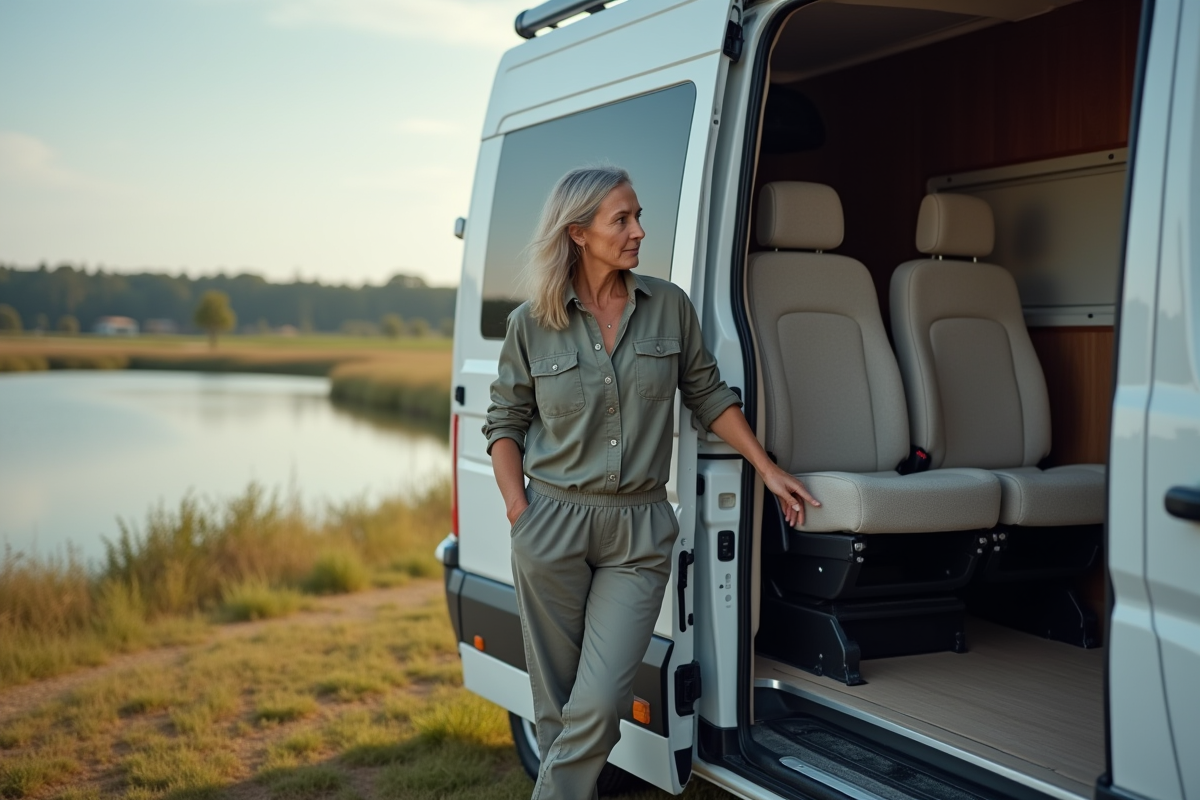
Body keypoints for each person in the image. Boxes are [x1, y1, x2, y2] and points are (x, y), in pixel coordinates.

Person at [483, 165, 820, 800]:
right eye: (623, 219)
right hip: (550, 521)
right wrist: (518, 510)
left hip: (638, 531)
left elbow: (708, 395)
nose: (640, 230)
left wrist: (769, 471)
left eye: (638, 215)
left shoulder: (668, 307)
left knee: (600, 700)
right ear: (579, 233)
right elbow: (504, 423)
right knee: (556, 708)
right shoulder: (531, 323)